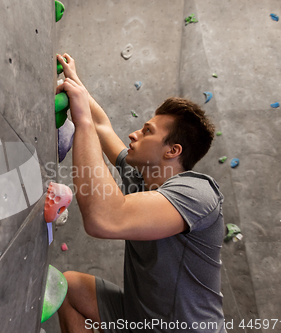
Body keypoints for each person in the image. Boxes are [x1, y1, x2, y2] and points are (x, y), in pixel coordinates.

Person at [55, 54, 226, 333]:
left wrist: (81, 122)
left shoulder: (198, 193)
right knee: (70, 289)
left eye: (147, 131)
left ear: (172, 151)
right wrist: (74, 82)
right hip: (139, 318)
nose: (134, 134)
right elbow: (102, 127)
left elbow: (104, 219)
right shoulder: (142, 178)